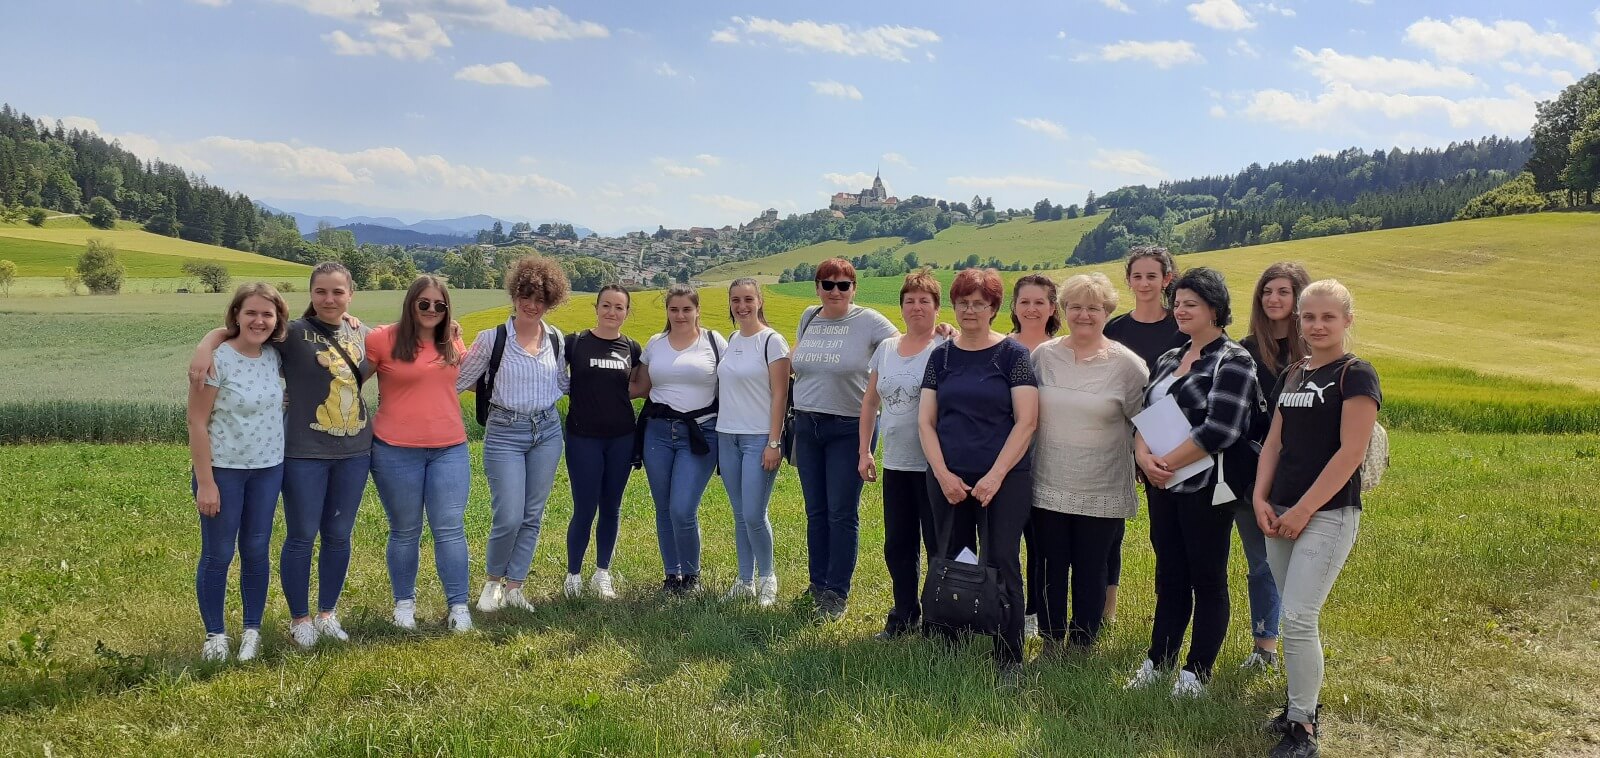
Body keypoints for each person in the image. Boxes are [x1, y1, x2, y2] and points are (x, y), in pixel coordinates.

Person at [188, 263, 372, 651]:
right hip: (297, 454)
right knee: (295, 537)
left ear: (351, 295)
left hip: (341, 453)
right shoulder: (290, 335)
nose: (329, 299)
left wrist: (453, 332)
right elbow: (240, 331)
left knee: (334, 536)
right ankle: (294, 620)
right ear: (310, 294)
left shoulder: (359, 332)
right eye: (321, 291)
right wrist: (206, 343)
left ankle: (324, 615)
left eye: (338, 292)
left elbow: (399, 341)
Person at [1254, 279, 1380, 758]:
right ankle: (1295, 704)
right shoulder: (1294, 373)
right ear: (1299, 322)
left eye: (1329, 317)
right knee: (1293, 616)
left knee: (1299, 617)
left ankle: (1303, 727)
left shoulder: (1356, 375)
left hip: (1327, 514)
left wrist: (1305, 510)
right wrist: (1261, 498)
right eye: (1309, 317)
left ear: (1347, 320)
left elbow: (1351, 453)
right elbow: (1273, 443)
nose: (1318, 325)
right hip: (1280, 511)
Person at [1126, 266, 1261, 697]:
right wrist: (1142, 456)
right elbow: (1145, 415)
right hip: (1162, 486)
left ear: (1215, 309)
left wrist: (1164, 461)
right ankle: (1158, 661)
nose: (1181, 310)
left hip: (1206, 487)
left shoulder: (1234, 360)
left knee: (1207, 578)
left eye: (1192, 304)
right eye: (1178, 303)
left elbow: (1222, 429)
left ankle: (1196, 672)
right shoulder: (1169, 357)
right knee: (1169, 574)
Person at [919, 268, 1039, 683]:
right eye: (963, 303)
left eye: (979, 304)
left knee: (1001, 560)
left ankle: (1009, 654)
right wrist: (942, 474)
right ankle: (948, 639)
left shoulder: (1013, 356)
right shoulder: (941, 357)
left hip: (1004, 479)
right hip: (947, 477)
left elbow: (1026, 422)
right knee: (950, 555)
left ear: (993, 308)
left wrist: (995, 476)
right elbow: (926, 422)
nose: (970, 311)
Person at [1029, 273, 1148, 653]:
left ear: (1107, 312)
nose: (1084, 315)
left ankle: (1082, 642)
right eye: (1076, 307)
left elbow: (1145, 422)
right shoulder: (1043, 356)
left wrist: (1149, 461)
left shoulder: (1128, 366)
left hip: (1102, 485)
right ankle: (1050, 640)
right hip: (1048, 480)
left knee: (1091, 567)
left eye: (1093, 308)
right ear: (1063, 310)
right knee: (1049, 565)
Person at [457, 256, 570, 613]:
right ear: (514, 294)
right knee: (508, 515)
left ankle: (516, 587)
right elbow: (459, 380)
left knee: (532, 514)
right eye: (526, 296)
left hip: (547, 431)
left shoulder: (556, 339)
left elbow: (563, 382)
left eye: (541, 300)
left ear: (550, 302)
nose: (532, 305)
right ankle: (493, 582)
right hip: (505, 432)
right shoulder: (492, 339)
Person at [790, 257, 899, 620]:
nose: (835, 291)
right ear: (817, 287)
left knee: (841, 512)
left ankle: (836, 592)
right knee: (816, 511)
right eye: (827, 284)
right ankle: (817, 583)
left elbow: (905, 347)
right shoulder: (809, 317)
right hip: (807, 425)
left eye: (843, 285)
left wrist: (940, 334)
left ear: (854, 289)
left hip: (849, 427)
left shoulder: (870, 321)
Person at [186, 283, 288, 662]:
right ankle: (215, 635)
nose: (259, 321)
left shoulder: (274, 356)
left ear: (277, 319)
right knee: (218, 554)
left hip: (268, 470)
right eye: (251, 313)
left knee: (257, 550)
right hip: (223, 472)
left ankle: (252, 631)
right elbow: (196, 422)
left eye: (267, 314)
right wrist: (206, 483)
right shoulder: (217, 360)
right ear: (236, 316)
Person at [367, 275, 474, 633]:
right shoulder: (382, 338)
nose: (431, 310)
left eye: (439, 305)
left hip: (449, 449)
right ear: (411, 303)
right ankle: (404, 604)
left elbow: (476, 375)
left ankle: (458, 606)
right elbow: (347, 379)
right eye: (424, 303)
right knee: (404, 530)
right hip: (394, 450)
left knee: (450, 529)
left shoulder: (452, 340)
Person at [1101, 246, 1186, 625]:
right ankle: (1107, 609)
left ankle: (1168, 612)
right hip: (1118, 438)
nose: (1145, 283)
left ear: (1167, 279)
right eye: (1137, 276)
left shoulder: (1182, 327)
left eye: (1152, 276)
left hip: (1170, 443)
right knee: (1110, 527)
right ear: (1128, 280)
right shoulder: (1115, 330)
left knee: (1166, 534)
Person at [859, 270, 944, 640]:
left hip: (935, 466)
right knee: (897, 545)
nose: (916, 307)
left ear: (937, 308)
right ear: (901, 307)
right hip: (895, 463)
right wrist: (865, 451)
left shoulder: (944, 347)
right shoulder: (887, 349)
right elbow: (870, 402)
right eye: (910, 300)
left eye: (924, 300)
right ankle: (904, 615)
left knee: (938, 544)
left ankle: (940, 621)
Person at [1234, 262, 1311, 672]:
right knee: (1261, 561)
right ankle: (1265, 646)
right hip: (1252, 475)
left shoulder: (1318, 353)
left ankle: (1302, 642)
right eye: (1267, 291)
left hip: (1306, 476)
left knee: (1303, 566)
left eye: (1283, 291)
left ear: (1300, 298)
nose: (1273, 299)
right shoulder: (1243, 351)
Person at [633, 284, 726, 595]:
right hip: (658, 432)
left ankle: (692, 575)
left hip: (700, 433)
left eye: (687, 309)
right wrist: (593, 389)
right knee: (663, 507)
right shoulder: (655, 344)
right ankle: (672, 575)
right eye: (674, 309)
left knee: (682, 508)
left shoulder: (714, 342)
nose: (680, 315)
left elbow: (735, 381)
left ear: (698, 310)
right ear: (667, 311)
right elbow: (639, 387)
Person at [562, 285, 642, 600]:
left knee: (611, 506)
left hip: (621, 438)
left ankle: (602, 573)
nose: (612, 312)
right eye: (606, 305)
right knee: (584, 508)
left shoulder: (632, 347)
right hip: (583, 438)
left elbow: (641, 385)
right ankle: (573, 575)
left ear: (627, 312)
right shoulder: (575, 343)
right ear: (596, 308)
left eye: (619, 307)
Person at [716, 278, 790, 606]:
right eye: (736, 300)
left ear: (759, 301)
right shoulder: (732, 339)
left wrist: (773, 442)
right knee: (738, 513)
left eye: (748, 299)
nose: (742, 306)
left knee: (754, 514)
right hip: (727, 435)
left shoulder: (772, 341)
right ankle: (744, 580)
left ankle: (767, 578)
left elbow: (780, 395)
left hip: (759, 437)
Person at [1008, 274, 1059, 640]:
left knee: (1042, 544)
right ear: (1013, 307)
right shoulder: (999, 347)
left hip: (1051, 458)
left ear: (1052, 308)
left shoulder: (1063, 352)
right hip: (1007, 460)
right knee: (1006, 541)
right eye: (1024, 301)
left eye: (1039, 302)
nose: (1031, 308)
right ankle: (1002, 607)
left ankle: (1035, 612)